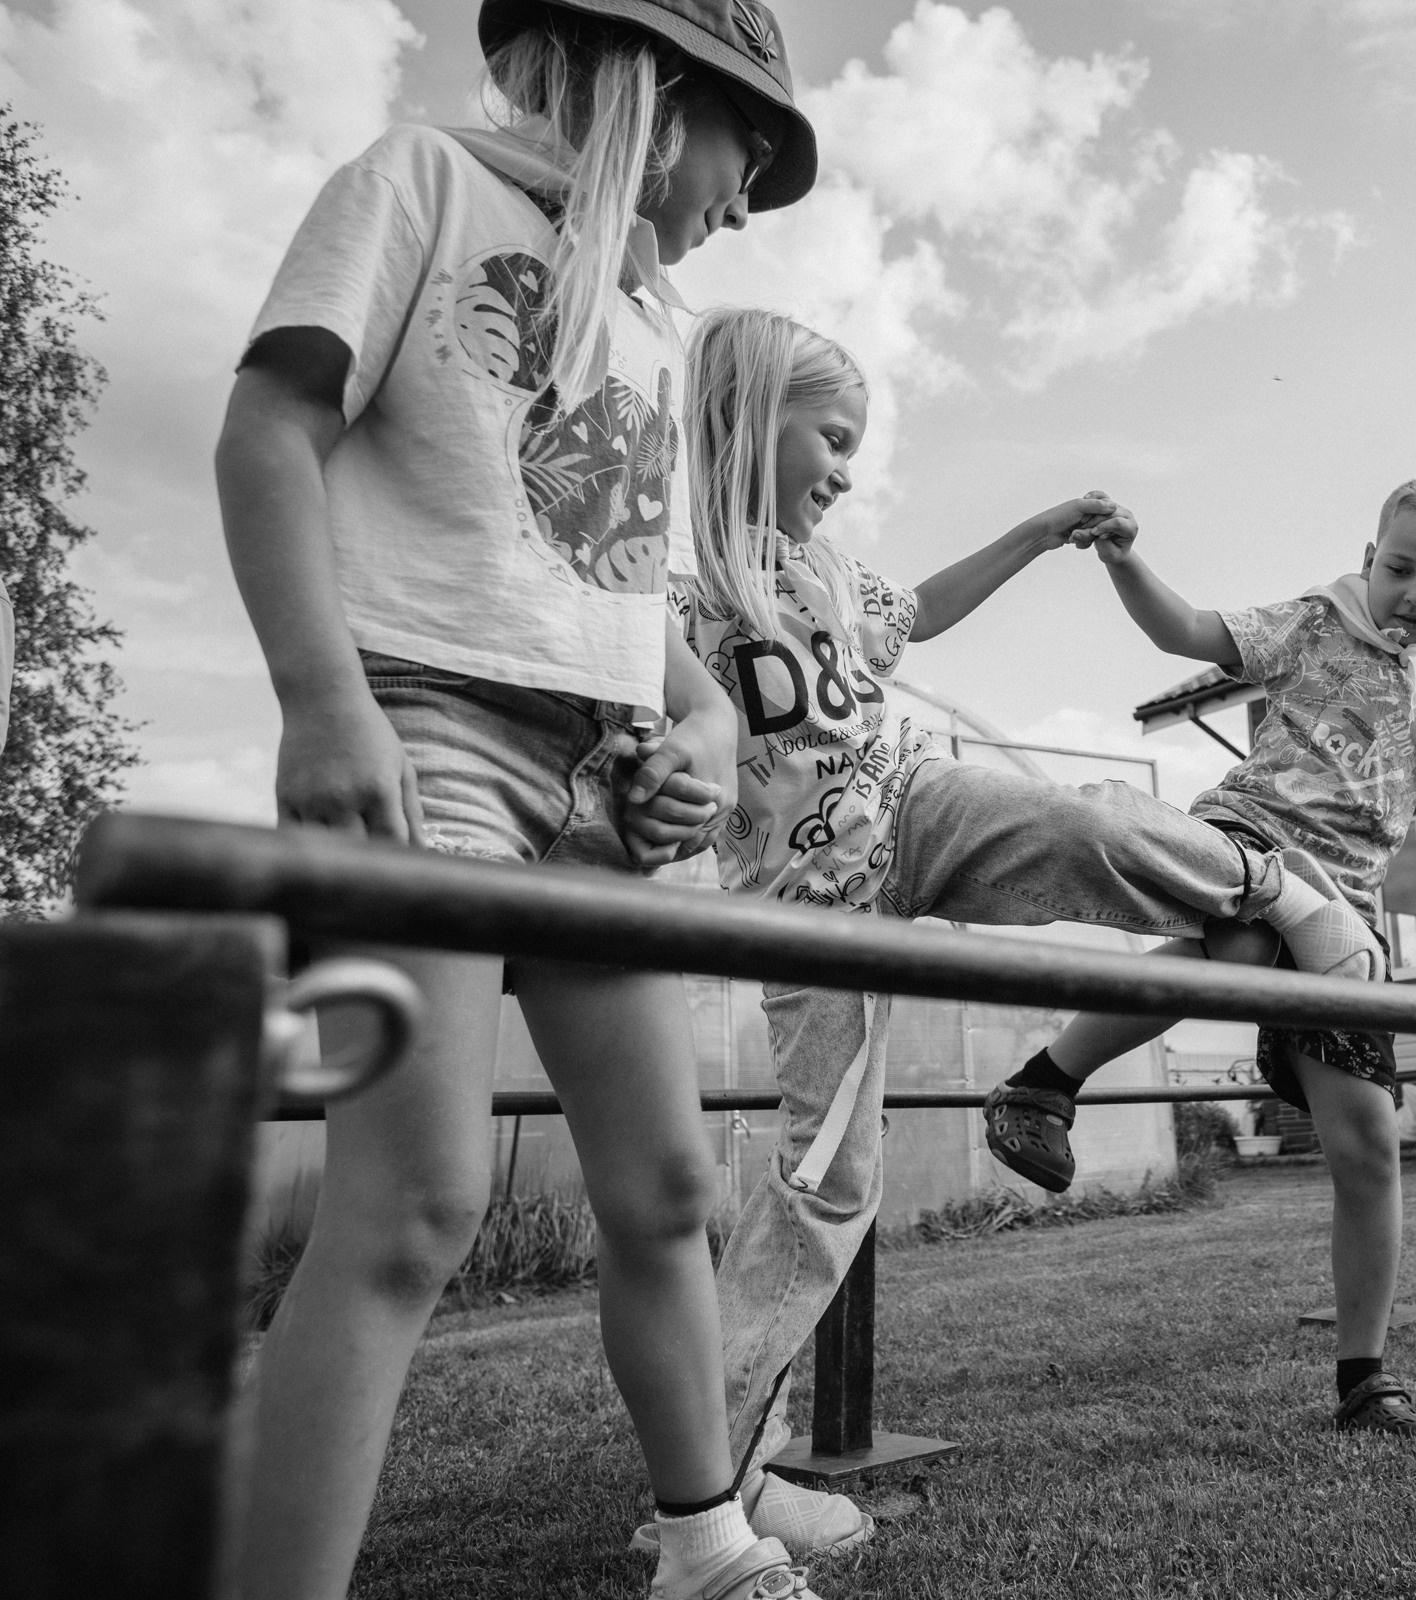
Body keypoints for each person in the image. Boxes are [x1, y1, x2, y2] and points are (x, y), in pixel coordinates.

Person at [213, 4, 825, 1597]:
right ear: (656, 96)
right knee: (415, 1203)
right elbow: (270, 430)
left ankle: (707, 1547)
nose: (743, 206)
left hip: (601, 788)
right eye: (743, 154)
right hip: (420, 735)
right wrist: (321, 699)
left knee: (670, 1188)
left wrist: (695, 728)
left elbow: (631, 596)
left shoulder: (651, 323)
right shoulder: (417, 182)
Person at [672, 307, 1390, 1553]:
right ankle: (723, 1474)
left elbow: (927, 609)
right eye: (831, 439)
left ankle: (1269, 886)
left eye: (855, 449)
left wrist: (1042, 529)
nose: (845, 470)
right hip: (804, 910)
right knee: (826, 1185)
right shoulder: (681, 589)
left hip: (912, 804)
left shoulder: (834, 575)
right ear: (747, 420)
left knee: (1078, 821)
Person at [986, 477, 1416, 1434]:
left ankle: (1364, 1375)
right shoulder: (1314, 624)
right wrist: (1127, 558)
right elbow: (1187, 632)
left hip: (1342, 910)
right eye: (1400, 569)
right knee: (1246, 941)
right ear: (1371, 555)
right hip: (1250, 840)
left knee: (1370, 1143)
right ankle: (1042, 1085)